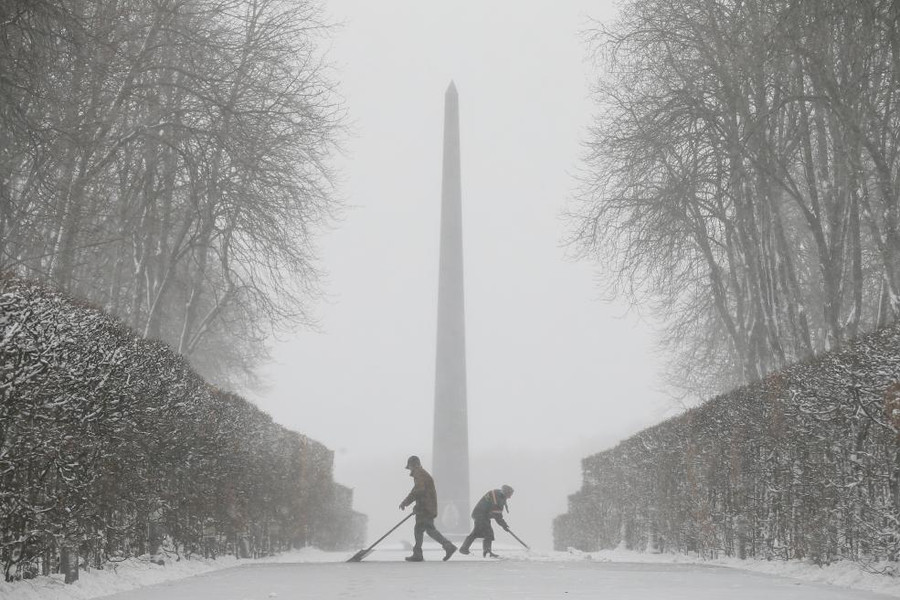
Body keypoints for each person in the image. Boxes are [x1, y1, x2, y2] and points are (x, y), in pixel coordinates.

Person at [399, 455, 457, 562]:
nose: (409, 469)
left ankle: (446, 546)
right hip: (427, 507)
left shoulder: (419, 473)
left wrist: (409, 504)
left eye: (410, 466)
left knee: (426, 529)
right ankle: (421, 553)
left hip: (425, 508)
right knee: (422, 529)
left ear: (413, 465)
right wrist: (408, 503)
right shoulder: (421, 474)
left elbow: (419, 491)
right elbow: (417, 491)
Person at [459, 484, 514, 558]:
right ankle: (487, 552)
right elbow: (498, 516)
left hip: (481, 515)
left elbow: (497, 514)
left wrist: (504, 525)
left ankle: (464, 548)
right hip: (480, 515)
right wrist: (504, 525)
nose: (510, 497)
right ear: (505, 492)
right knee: (488, 533)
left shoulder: (499, 494)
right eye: (509, 494)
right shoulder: (497, 499)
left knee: (476, 532)